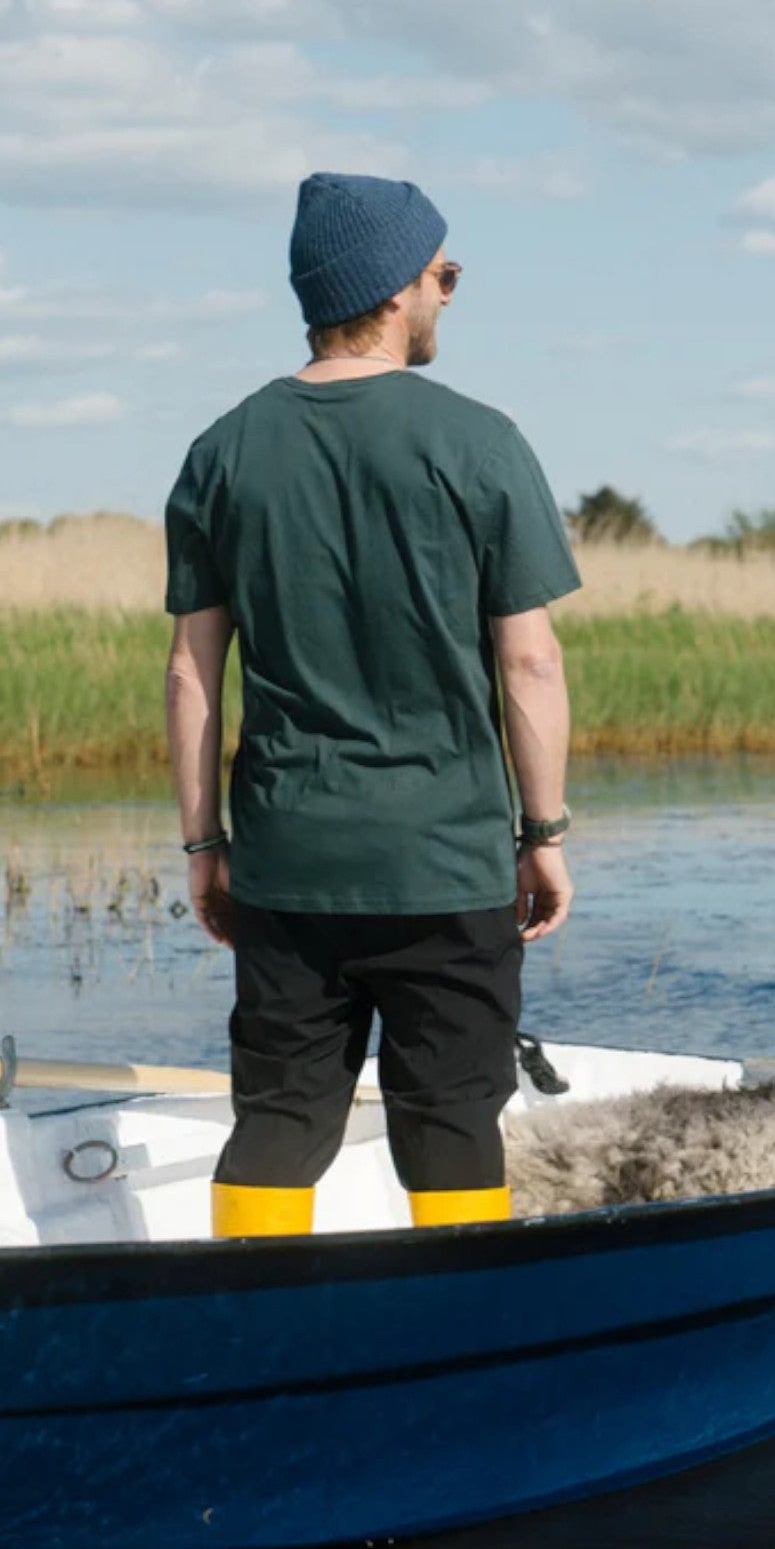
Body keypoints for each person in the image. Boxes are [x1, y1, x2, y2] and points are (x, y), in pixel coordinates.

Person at [163, 171, 580, 1239]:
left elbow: (192, 674)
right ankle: (459, 1342)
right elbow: (528, 665)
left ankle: (249, 1333)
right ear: (395, 288)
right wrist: (542, 833)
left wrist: (205, 843)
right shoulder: (479, 442)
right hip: (446, 860)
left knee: (277, 1115)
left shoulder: (223, 450)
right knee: (450, 1117)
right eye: (444, 273)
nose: (448, 293)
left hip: (290, 857)